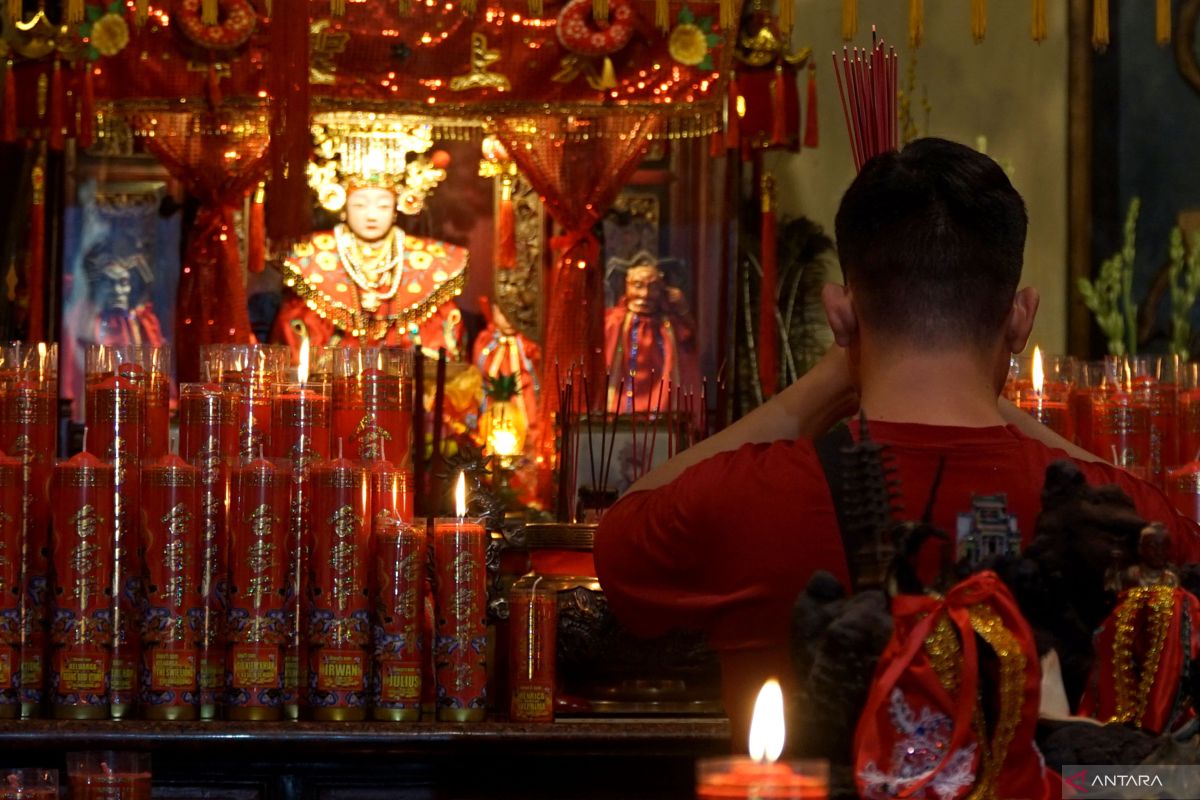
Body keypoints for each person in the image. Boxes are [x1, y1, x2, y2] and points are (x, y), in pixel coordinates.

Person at [593, 137, 1200, 746]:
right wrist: (995, 407)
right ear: (1020, 317)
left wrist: (826, 380)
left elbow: (621, 539)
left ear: (840, 313)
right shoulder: (1111, 519)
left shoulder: (751, 496)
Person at [273, 149, 467, 360]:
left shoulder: (430, 259)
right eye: (360, 205)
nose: (371, 215)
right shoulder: (312, 254)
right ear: (343, 209)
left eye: (383, 206)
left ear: (395, 212)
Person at [604, 254, 698, 413]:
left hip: (660, 397)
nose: (644, 294)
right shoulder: (614, 321)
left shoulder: (669, 324)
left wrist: (682, 309)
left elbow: (689, 340)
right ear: (627, 285)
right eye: (638, 285)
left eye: (653, 287)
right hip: (621, 395)